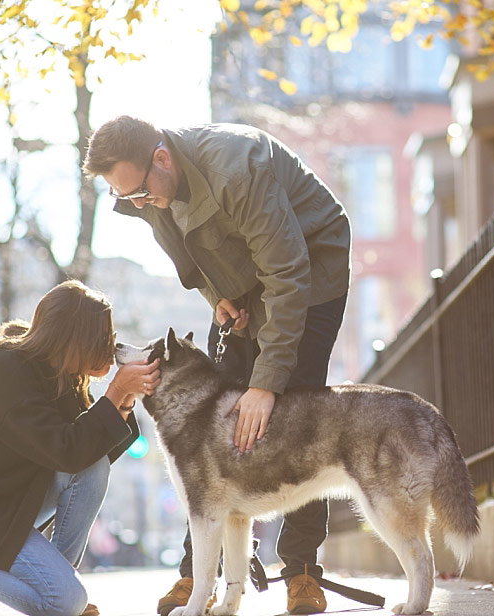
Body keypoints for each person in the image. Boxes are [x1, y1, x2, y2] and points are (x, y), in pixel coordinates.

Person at [83, 117, 351, 615]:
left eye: (140, 193)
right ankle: (198, 575)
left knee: (301, 418)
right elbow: (191, 258)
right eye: (128, 199)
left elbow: (288, 274)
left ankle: (301, 570)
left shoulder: (237, 168)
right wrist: (219, 296)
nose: (139, 205)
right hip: (247, 277)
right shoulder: (148, 190)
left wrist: (267, 385)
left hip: (310, 271)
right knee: (209, 430)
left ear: (162, 158)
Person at [0, 280, 160, 616]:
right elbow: (66, 451)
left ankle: (61, 582)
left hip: (12, 497)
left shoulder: (58, 370)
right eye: (101, 338)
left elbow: (86, 456)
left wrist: (124, 399)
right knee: (65, 602)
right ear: (73, 337)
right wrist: (114, 391)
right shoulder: (6, 370)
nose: (109, 347)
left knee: (94, 467)